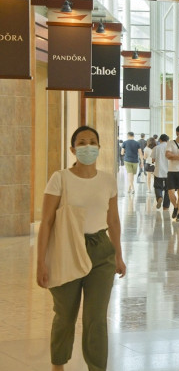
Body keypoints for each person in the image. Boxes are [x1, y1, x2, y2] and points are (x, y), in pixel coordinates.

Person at [36, 126, 126, 371]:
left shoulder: (108, 180)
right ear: (73, 149)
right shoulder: (60, 178)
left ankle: (96, 367)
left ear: (99, 147)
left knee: (96, 318)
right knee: (65, 315)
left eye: (92, 142)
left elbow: (114, 221)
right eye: (82, 142)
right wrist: (41, 262)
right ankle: (58, 364)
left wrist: (118, 255)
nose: (88, 146)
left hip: (100, 250)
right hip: (67, 249)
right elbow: (47, 221)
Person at [152, 134, 171, 210]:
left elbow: (153, 160)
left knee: (157, 187)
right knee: (168, 189)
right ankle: (166, 207)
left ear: (160, 140)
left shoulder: (156, 148)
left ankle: (159, 197)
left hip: (158, 171)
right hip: (169, 171)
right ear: (167, 140)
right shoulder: (170, 148)